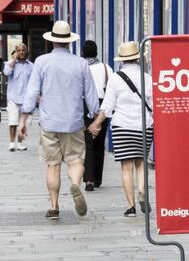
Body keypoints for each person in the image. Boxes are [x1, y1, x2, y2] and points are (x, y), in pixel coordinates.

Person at [18, 21, 99, 220]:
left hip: (49, 122)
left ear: (52, 41)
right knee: (76, 160)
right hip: (73, 121)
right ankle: (75, 184)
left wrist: (24, 118)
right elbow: (91, 95)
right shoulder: (80, 63)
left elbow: (33, 91)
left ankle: (54, 207)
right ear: (69, 42)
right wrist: (95, 115)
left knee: (52, 165)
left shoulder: (41, 62)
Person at [88, 41, 153, 217]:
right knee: (141, 164)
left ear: (122, 60)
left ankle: (131, 207)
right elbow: (153, 105)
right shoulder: (147, 78)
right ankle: (142, 191)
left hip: (122, 127)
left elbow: (107, 106)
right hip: (144, 126)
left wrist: (96, 123)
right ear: (138, 58)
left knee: (126, 168)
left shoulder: (116, 78)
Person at [81, 40, 113, 191]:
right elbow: (111, 88)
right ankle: (98, 178)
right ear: (97, 52)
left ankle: (89, 180)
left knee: (88, 143)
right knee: (100, 143)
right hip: (103, 106)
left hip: (85, 104)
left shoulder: (81, 67)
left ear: (83, 52)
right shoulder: (106, 68)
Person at [3, 44, 33, 151]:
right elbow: (6, 72)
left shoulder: (31, 66)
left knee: (23, 122)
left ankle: (20, 143)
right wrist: (14, 60)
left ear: (26, 51)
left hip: (25, 99)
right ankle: (12, 143)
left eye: (23, 50)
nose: (21, 52)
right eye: (19, 50)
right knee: (13, 121)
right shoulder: (9, 64)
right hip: (13, 97)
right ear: (16, 52)